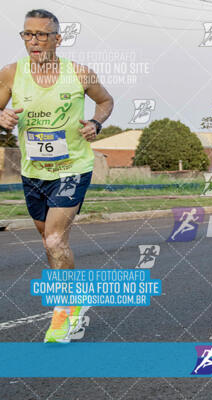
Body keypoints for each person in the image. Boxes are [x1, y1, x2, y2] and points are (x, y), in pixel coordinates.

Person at [0, 9, 113, 342]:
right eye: (27, 34)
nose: (34, 41)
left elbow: (105, 101)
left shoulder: (79, 74)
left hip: (73, 167)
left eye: (41, 34)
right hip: (34, 171)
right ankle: (75, 300)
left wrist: (96, 123)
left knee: (54, 239)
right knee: (51, 244)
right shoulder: (9, 74)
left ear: (58, 39)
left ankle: (63, 316)